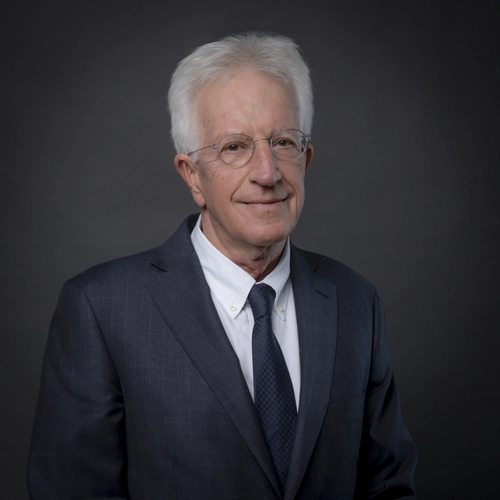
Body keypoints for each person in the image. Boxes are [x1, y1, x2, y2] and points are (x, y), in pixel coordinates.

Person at [28, 33, 417, 499]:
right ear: (192, 175)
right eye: (234, 147)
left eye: (283, 142)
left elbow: (388, 486)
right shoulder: (102, 309)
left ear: (306, 159)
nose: (267, 173)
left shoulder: (356, 302)